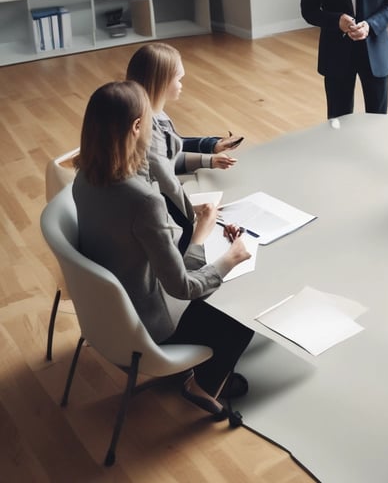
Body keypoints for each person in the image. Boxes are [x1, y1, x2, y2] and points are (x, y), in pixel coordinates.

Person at [73, 80, 255, 417]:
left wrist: (197, 229)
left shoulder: (84, 175)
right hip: (150, 325)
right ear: (137, 126)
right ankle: (202, 384)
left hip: (109, 314)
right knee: (241, 311)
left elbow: (142, 176)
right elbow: (182, 287)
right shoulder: (142, 201)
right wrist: (228, 257)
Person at [126, 42, 243, 221]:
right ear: (161, 82)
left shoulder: (146, 112)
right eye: (178, 79)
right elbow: (168, 182)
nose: (181, 85)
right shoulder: (148, 126)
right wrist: (194, 217)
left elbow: (169, 152)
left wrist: (210, 154)